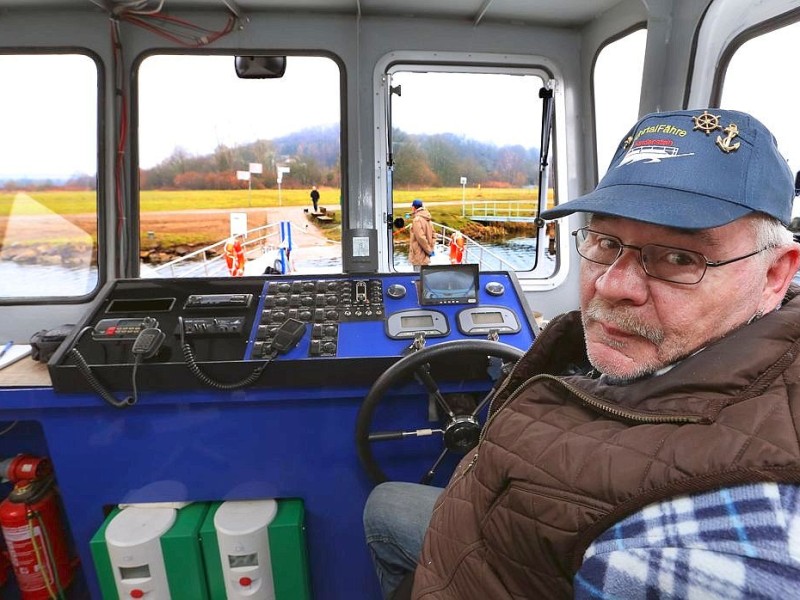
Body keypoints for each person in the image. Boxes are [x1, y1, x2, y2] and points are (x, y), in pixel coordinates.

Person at [363, 109, 800, 599]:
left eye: (679, 257)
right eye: (605, 240)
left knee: (382, 508)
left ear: (774, 277)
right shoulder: (682, 343)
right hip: (491, 531)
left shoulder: (707, 538)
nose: (612, 285)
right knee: (384, 508)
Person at [408, 199, 435, 271]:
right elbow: (434, 236)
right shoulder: (428, 219)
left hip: (418, 255)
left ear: (413, 207)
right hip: (426, 255)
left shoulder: (417, 220)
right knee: (424, 276)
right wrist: (431, 249)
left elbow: (420, 237)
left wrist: (429, 250)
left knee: (418, 278)